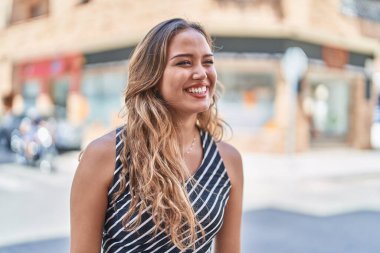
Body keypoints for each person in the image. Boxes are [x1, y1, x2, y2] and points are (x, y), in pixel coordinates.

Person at [70, 18, 243, 253]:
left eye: (208, 62)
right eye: (184, 63)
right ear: (153, 76)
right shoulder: (105, 155)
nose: (201, 73)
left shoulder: (227, 160)